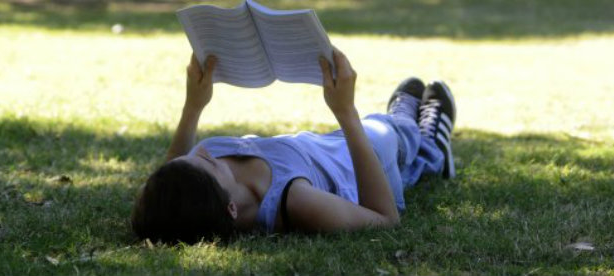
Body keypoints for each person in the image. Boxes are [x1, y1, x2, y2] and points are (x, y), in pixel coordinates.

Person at [131, 47, 456, 243]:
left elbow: (174, 164)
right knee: (388, 134)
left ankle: (424, 149)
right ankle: (420, 133)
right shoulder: (297, 202)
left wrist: (194, 105)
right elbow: (385, 219)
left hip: (322, 146)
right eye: (209, 163)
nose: (200, 150)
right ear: (231, 208)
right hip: (364, 160)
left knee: (390, 139)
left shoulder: (199, 184)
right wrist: (346, 112)